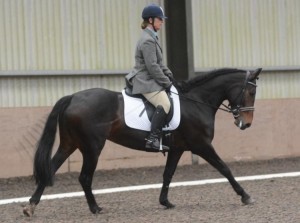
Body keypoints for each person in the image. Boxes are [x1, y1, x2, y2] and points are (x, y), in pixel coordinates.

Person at [125, 4, 173, 152]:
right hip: (144, 81)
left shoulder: (152, 37)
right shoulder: (147, 40)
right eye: (160, 19)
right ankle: (152, 139)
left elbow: (159, 63)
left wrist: (169, 73)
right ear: (151, 20)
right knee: (165, 104)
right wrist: (166, 82)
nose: (162, 22)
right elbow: (152, 67)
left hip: (149, 78)